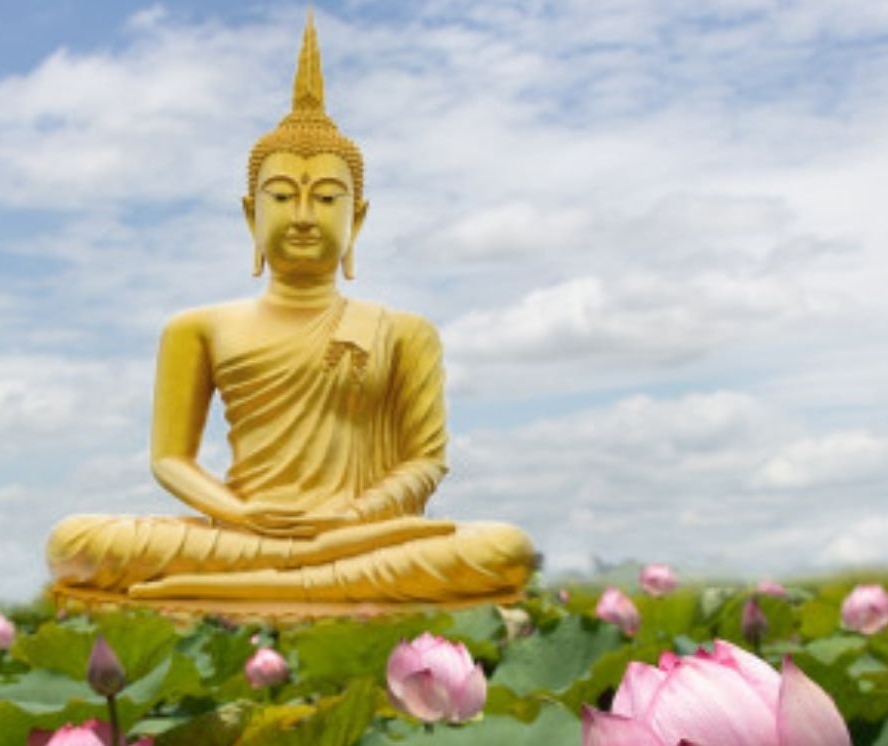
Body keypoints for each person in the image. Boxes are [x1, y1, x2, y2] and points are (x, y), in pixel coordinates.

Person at [45, 14, 534, 615]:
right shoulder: (197, 328)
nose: (303, 216)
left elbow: (425, 461)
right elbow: (170, 459)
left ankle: (275, 583)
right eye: (281, 197)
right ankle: (310, 580)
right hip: (245, 533)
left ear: (358, 219)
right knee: (74, 541)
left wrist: (352, 519)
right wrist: (239, 513)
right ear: (250, 214)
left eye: (326, 199)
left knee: (502, 549)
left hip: (361, 534)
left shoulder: (405, 332)